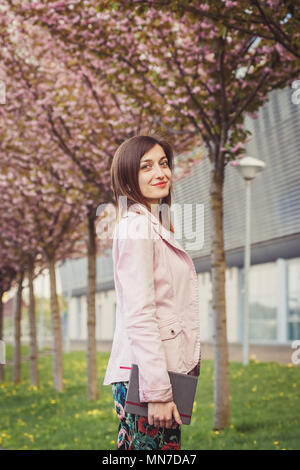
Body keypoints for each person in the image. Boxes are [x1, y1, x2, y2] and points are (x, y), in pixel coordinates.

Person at [103, 134, 201, 450]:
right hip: (147, 380)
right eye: (146, 166)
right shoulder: (137, 227)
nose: (160, 173)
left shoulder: (151, 224)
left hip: (151, 375)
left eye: (163, 163)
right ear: (128, 176)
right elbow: (140, 313)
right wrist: (158, 392)